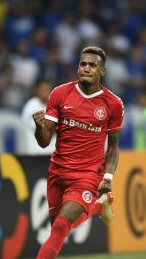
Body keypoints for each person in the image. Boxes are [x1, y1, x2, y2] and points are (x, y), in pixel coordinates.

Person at [33, 46, 124, 259]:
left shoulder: (113, 104)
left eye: (92, 65)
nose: (86, 68)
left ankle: (97, 203)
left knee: (59, 228)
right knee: (58, 225)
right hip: (58, 172)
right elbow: (44, 142)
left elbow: (112, 148)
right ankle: (99, 207)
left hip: (86, 175)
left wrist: (107, 177)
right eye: (83, 64)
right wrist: (39, 127)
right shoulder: (60, 94)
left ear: (102, 71)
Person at [20, 80, 56, 155]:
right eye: (43, 89)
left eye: (48, 89)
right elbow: (45, 128)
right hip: (35, 153)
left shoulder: (54, 105)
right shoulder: (31, 105)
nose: (46, 92)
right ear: (37, 90)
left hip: (52, 153)